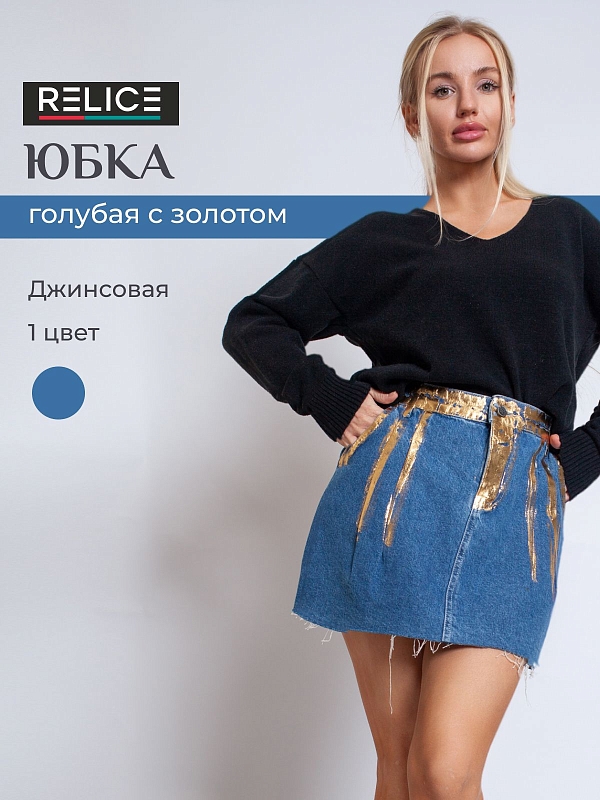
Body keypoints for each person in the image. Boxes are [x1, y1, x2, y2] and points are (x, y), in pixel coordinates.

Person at [222, 14, 600, 800]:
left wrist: (590, 453)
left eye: (486, 84)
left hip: (514, 510)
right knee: (400, 772)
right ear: (411, 114)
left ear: (511, 104)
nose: (468, 104)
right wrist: (332, 399)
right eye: (442, 88)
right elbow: (253, 322)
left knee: (445, 770)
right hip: (393, 500)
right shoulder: (382, 241)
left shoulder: (569, 230)